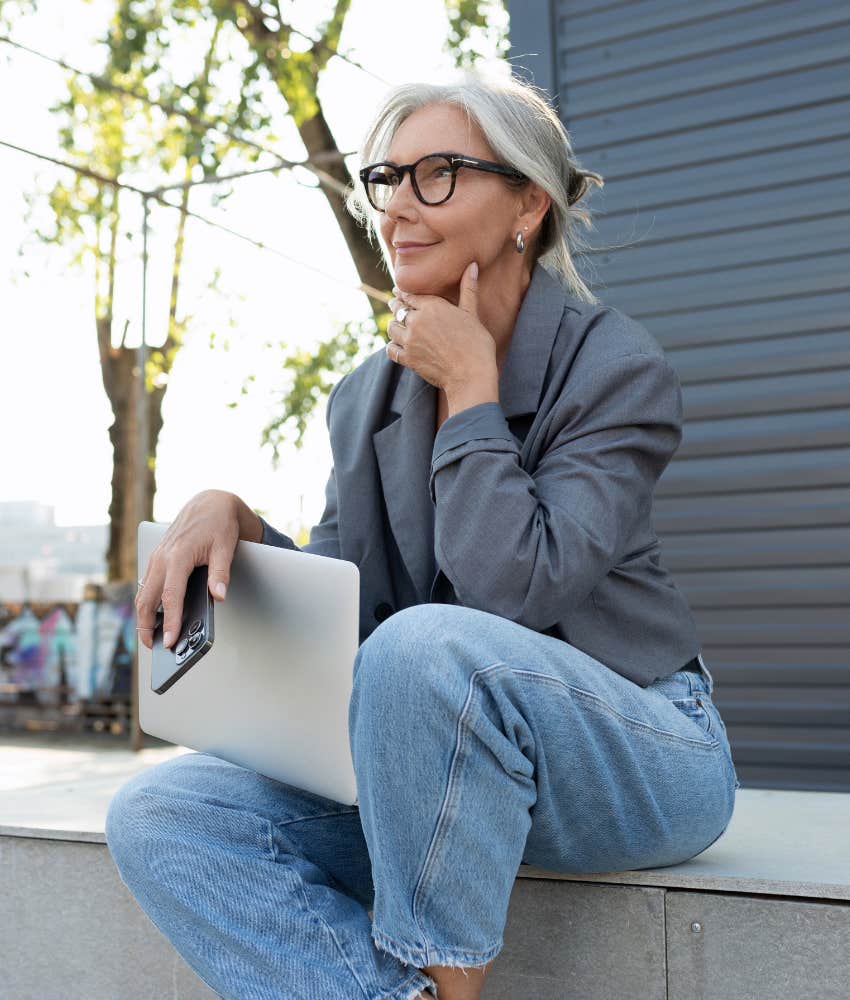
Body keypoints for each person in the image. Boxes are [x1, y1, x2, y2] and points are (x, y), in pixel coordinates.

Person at [106, 71, 740, 1000]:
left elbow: (512, 592)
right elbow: (349, 618)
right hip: (435, 767)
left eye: (437, 174)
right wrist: (237, 520)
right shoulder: (364, 398)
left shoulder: (616, 370)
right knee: (161, 812)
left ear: (528, 202)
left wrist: (472, 391)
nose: (398, 205)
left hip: (639, 752)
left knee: (423, 648)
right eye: (387, 179)